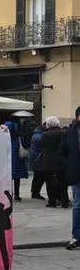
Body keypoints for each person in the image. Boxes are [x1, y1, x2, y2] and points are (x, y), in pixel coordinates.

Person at [34, 117, 67, 208]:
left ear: (48, 124)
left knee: (49, 182)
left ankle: (52, 202)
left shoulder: (45, 135)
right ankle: (64, 201)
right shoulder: (63, 133)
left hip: (49, 161)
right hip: (61, 160)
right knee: (63, 182)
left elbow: (40, 145)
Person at [60, 106, 80, 250]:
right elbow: (61, 152)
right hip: (76, 173)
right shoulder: (70, 132)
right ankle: (76, 237)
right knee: (78, 206)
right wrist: (68, 165)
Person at [4, 120, 29, 201]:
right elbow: (25, 145)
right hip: (18, 160)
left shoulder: (4, 137)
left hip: (7, 161)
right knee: (17, 179)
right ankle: (17, 195)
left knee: (8, 179)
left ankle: (9, 194)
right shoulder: (19, 137)